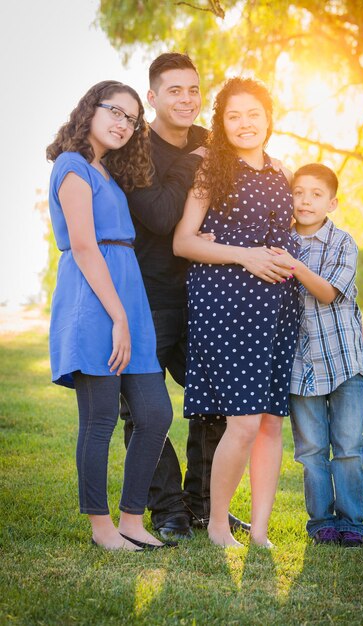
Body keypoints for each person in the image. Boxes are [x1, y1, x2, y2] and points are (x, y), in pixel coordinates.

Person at [122, 53, 249, 540]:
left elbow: (243, 186)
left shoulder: (211, 141)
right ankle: (168, 509)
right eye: (174, 90)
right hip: (148, 297)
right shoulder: (133, 149)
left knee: (217, 402)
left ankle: (203, 505)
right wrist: (193, 164)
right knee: (145, 410)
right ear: (152, 97)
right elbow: (156, 215)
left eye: (193, 89)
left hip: (207, 296)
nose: (187, 99)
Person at [46, 80, 174, 552]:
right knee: (99, 419)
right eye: (115, 112)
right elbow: (83, 245)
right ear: (90, 110)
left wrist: (128, 314)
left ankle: (132, 520)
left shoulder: (109, 172)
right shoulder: (72, 166)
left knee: (156, 413)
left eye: (131, 118)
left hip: (129, 300)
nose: (123, 123)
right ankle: (102, 529)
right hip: (94, 301)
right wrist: (117, 316)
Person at [173, 77, 299, 547]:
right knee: (243, 421)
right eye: (234, 116)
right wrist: (244, 256)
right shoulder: (212, 169)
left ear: (269, 118)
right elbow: (183, 241)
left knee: (269, 421)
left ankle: (261, 531)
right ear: (221, 123)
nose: (245, 124)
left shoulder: (280, 171)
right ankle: (217, 524)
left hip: (278, 305)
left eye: (254, 114)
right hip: (227, 302)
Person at [277, 163, 363, 547]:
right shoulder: (279, 241)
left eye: (316, 194)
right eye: (298, 192)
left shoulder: (344, 243)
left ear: (331, 202)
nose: (305, 201)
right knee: (311, 449)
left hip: (343, 362)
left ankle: (352, 524)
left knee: (347, 447)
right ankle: (321, 523)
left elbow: (328, 293)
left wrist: (293, 264)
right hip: (300, 365)